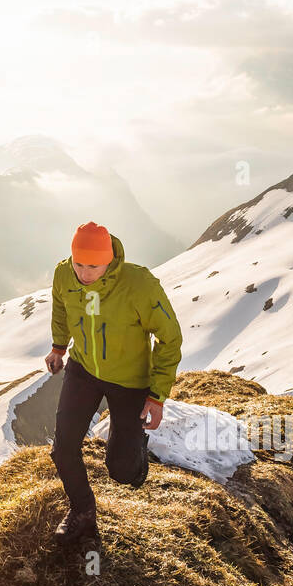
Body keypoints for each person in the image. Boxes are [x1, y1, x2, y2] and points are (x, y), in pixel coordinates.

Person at [44, 221, 183, 545]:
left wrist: (157, 396)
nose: (84, 273)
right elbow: (60, 309)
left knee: (121, 472)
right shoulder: (64, 274)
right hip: (84, 370)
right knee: (63, 450)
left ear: (111, 260)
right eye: (79, 263)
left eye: (93, 266)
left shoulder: (139, 284)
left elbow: (170, 339)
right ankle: (83, 513)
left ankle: (135, 453)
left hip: (130, 381)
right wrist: (59, 347)